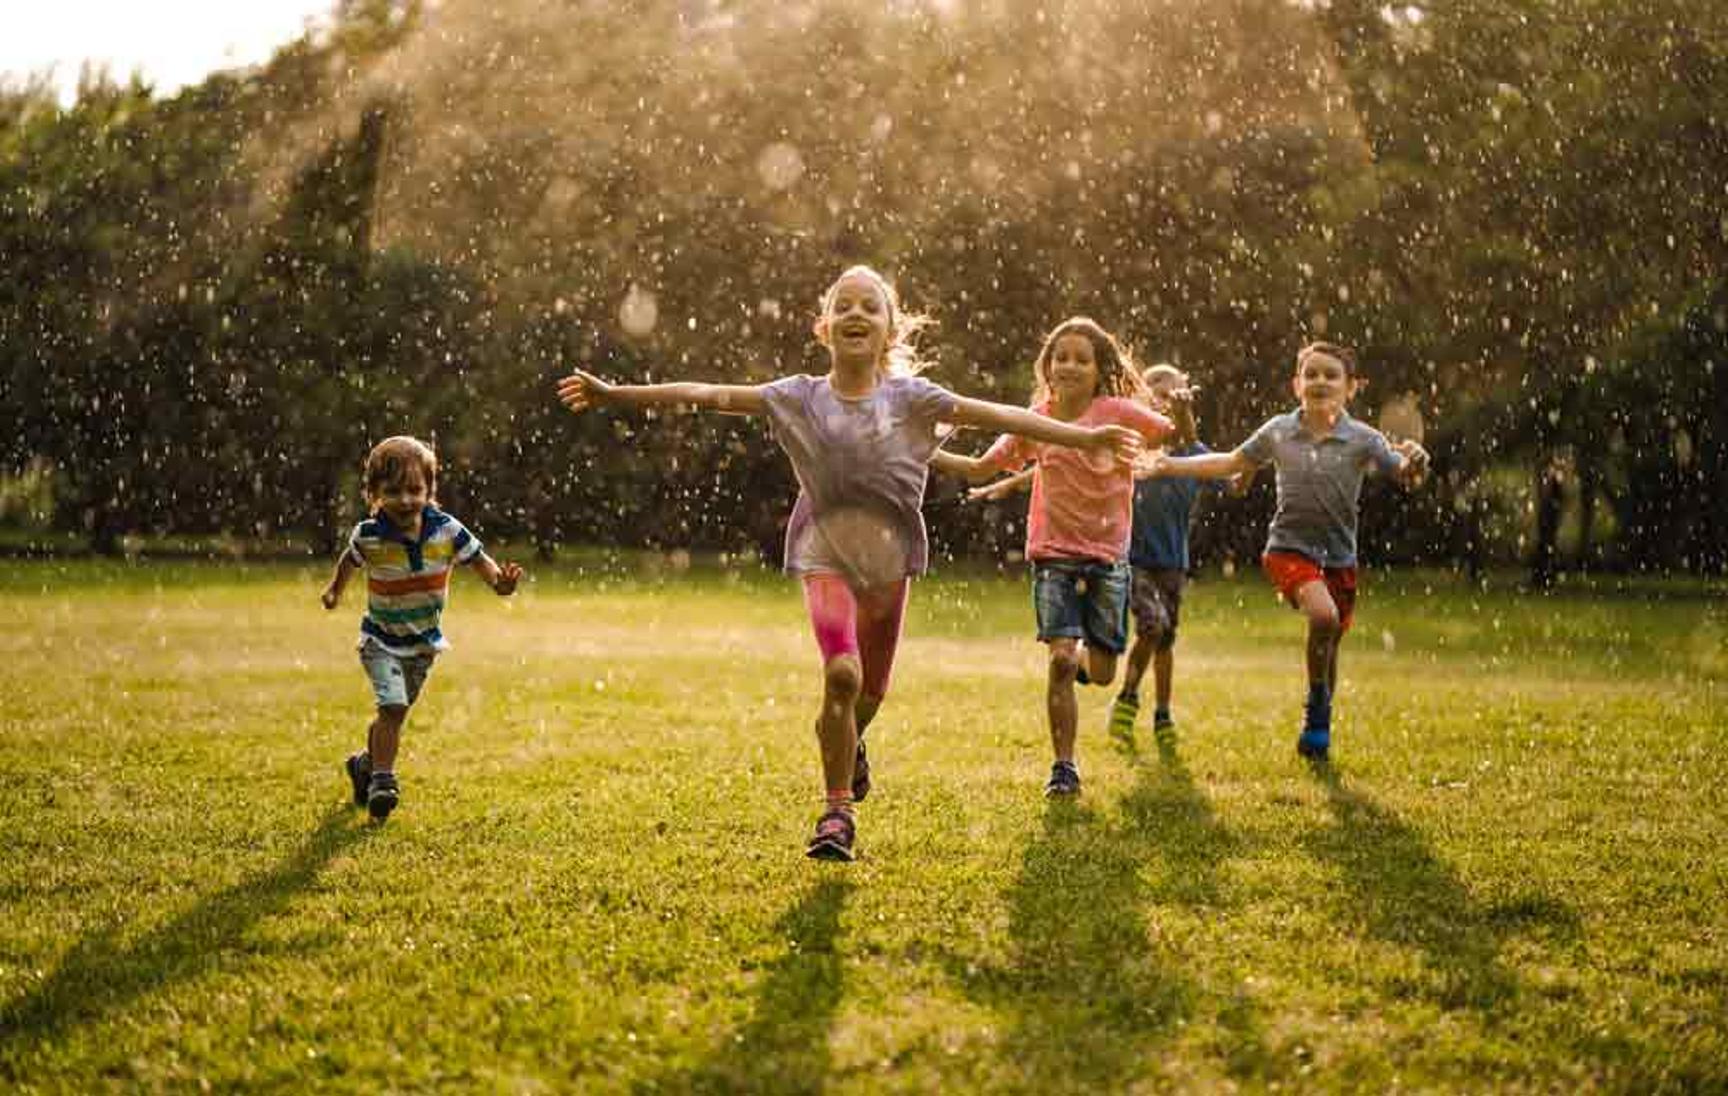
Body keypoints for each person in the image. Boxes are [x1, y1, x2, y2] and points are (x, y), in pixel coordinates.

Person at [555, 266, 1141, 861]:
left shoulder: (915, 400)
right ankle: (836, 814)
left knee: (868, 695)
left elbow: (1002, 417)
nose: (857, 313)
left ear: (889, 331)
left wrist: (1084, 439)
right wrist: (615, 394)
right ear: (825, 326)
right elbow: (703, 393)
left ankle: (849, 740)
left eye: (871, 306)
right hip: (824, 554)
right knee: (842, 675)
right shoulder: (798, 397)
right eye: (846, 305)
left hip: (890, 566)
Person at [929, 317, 1175, 798]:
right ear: (1047, 365)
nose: (1069, 365)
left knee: (1101, 672)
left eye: (1081, 358)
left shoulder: (1118, 411)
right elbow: (981, 467)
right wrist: (923, 452)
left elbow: (1166, 432)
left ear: (1099, 367)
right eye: (1061, 357)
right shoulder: (1035, 421)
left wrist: (1182, 414)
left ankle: (1086, 661)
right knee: (1060, 661)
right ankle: (1064, 766)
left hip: (1107, 557)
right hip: (1053, 555)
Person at [1147, 342, 1428, 761]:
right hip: (1288, 550)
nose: (1320, 381)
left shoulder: (1364, 439)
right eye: (1310, 374)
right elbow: (1229, 463)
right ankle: (1316, 705)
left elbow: (1406, 476)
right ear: (1296, 385)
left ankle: (1321, 720)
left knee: (1329, 642)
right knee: (1323, 616)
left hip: (1340, 558)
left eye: (1331, 375)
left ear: (1351, 388)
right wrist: (1171, 465)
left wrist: (1417, 462)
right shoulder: (1278, 430)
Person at [320, 435, 523, 820]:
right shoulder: (369, 534)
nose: (406, 500)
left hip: (424, 644)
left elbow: (479, 560)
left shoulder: (446, 531)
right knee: (392, 706)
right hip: (379, 639)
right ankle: (383, 780)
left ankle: (364, 766)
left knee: (392, 715)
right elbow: (350, 560)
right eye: (393, 491)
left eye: (415, 490)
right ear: (374, 493)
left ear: (430, 490)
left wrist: (500, 583)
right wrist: (334, 591)